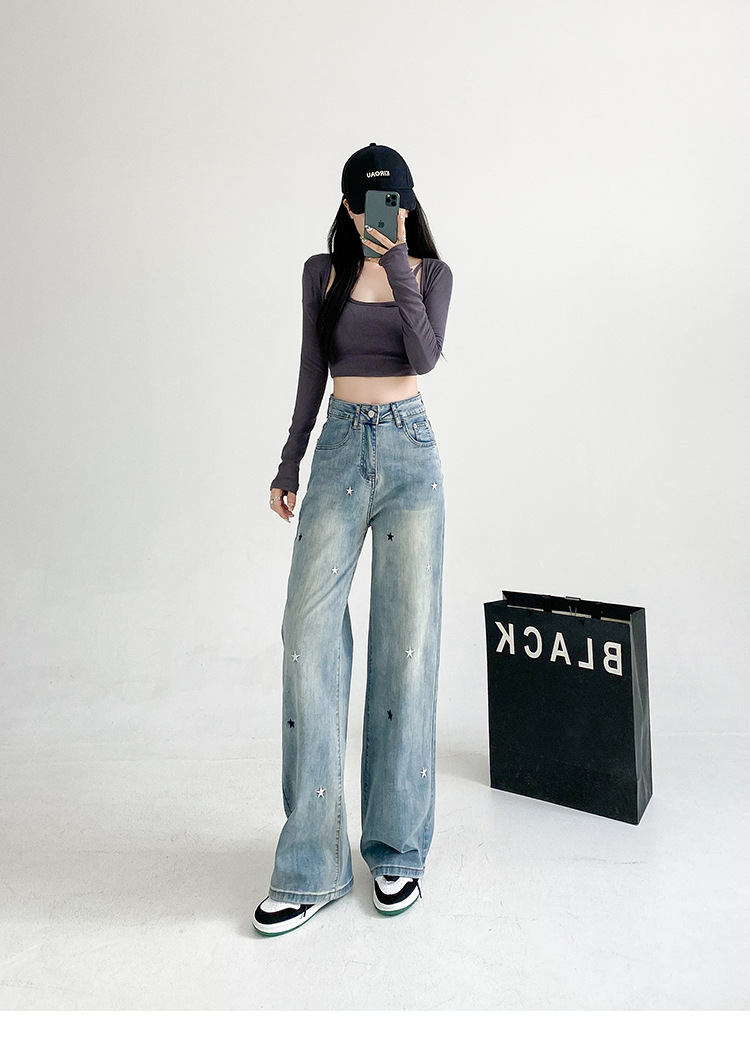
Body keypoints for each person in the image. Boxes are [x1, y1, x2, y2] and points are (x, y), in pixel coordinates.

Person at [254, 143, 454, 936]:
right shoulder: (321, 274)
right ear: (347, 207)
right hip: (339, 448)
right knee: (307, 640)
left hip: (411, 454)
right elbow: (312, 367)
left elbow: (425, 356)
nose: (384, 213)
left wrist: (397, 262)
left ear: (409, 204)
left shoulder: (432, 274)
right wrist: (289, 459)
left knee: (406, 651)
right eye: (371, 202)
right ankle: (311, 864)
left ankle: (397, 849)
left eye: (396, 201)